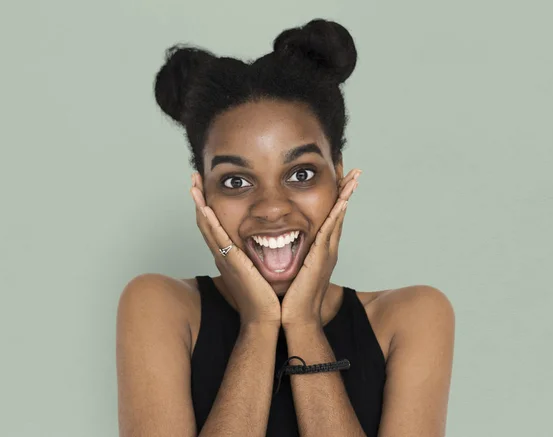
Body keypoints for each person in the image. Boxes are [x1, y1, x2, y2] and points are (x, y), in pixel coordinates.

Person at [116, 18, 455, 437]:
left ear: (339, 178)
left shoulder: (411, 317)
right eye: (236, 181)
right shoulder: (159, 306)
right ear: (202, 196)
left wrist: (303, 324)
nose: (272, 208)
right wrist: (258, 324)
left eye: (301, 174)